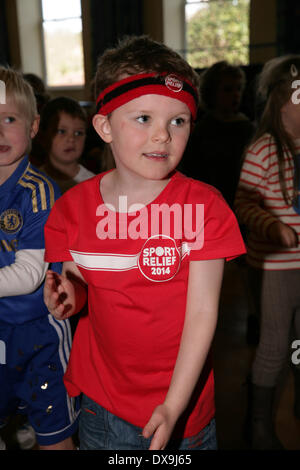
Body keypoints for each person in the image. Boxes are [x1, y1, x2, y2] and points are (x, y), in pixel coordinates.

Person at [43, 35, 246, 451]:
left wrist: (174, 406)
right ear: (104, 126)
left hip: (184, 407)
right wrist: (68, 297)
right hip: (104, 405)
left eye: (178, 121)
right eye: (143, 119)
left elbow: (203, 314)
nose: (162, 136)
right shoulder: (71, 210)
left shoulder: (205, 208)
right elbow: (80, 291)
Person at [0, 66, 79, 450]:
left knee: (53, 432)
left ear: (33, 127)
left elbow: (30, 274)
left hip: (37, 336)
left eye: (8, 119)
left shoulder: (38, 192)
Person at [234, 55, 300, 449]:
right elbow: (243, 203)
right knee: (275, 342)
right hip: (276, 266)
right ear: (279, 101)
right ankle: (257, 425)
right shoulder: (262, 150)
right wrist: (272, 226)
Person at [181, 61, 254, 208]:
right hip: (211, 202)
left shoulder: (249, 129)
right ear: (212, 92)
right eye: (227, 90)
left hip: (244, 204)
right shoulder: (201, 131)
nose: (235, 95)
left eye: (238, 89)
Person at [36, 97, 95, 194]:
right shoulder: (33, 183)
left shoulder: (94, 185)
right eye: (62, 131)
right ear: (44, 136)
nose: (71, 139)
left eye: (78, 133)